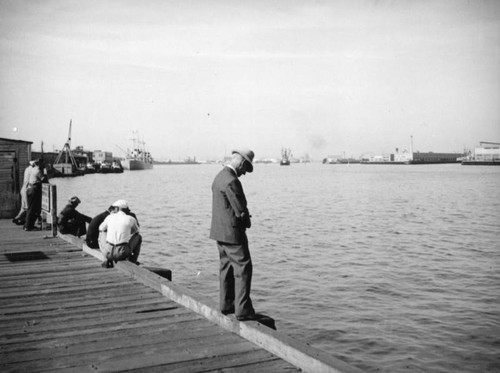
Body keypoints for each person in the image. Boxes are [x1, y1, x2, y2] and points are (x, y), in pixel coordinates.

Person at [209, 148, 259, 321]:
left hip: (219, 232)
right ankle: (243, 310)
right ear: (242, 163)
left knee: (226, 268)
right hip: (233, 234)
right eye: (246, 169)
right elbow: (240, 210)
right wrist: (247, 221)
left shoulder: (219, 177)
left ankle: (226, 304)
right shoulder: (232, 181)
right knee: (244, 267)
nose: (244, 173)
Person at [99, 200, 142, 268]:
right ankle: (133, 261)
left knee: (103, 231)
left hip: (108, 252)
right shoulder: (131, 219)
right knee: (138, 237)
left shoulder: (109, 217)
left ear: (117, 208)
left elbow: (100, 228)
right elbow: (136, 232)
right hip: (122, 253)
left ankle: (106, 258)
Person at [13, 160, 34, 225]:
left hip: (23, 189)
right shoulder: (32, 170)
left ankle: (17, 218)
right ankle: (22, 220)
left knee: (23, 207)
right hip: (27, 190)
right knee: (27, 207)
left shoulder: (27, 169)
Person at [24, 159, 43, 231]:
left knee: (30, 208)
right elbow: (43, 179)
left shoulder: (32, 170)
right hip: (34, 189)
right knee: (32, 209)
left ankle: (27, 225)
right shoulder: (37, 171)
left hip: (30, 188)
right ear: (38, 164)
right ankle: (28, 226)